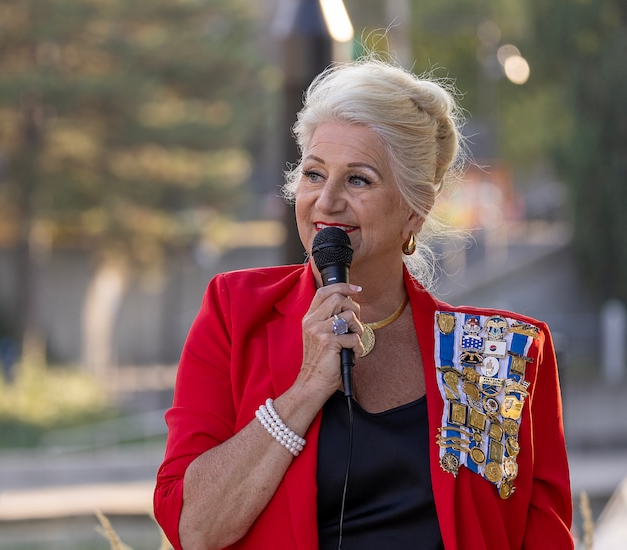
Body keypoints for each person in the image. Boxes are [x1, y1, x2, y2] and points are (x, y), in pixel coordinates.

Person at [153, 56, 573, 549]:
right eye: (313, 174)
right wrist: (306, 388)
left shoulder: (497, 354)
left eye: (358, 179)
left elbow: (539, 536)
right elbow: (193, 530)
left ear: (416, 208)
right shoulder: (235, 311)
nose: (326, 201)